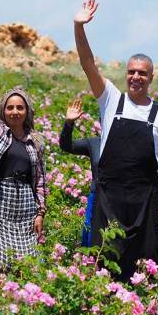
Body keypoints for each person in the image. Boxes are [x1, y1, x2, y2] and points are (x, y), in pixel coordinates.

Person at [73, 0, 158, 280]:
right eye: (131, 71)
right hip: (109, 196)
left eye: (142, 73)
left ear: (151, 78)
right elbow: (87, 63)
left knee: (144, 260)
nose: (135, 77)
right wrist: (79, 26)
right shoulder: (110, 99)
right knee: (103, 256)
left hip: (144, 199)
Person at [0, 51, 47, 269]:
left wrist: (40, 213)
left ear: (27, 111)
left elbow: (41, 181)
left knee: (27, 264)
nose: (15, 111)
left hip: (25, 207)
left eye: (20, 107)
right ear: (3, 111)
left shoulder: (35, 141)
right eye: (10, 107)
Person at [59, 98, 100, 247]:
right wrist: (69, 123)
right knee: (90, 239)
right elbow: (66, 145)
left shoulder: (127, 144)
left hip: (119, 199)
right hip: (97, 197)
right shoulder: (95, 143)